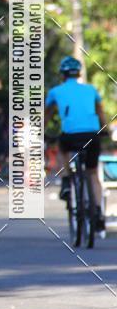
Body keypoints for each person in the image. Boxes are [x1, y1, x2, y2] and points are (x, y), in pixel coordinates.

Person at [45, 56, 107, 231]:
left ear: (62, 75)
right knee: (93, 173)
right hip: (91, 136)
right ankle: (97, 212)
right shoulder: (92, 90)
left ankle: (65, 181)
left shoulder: (55, 91)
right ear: (79, 73)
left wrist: (41, 132)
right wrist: (105, 129)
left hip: (70, 135)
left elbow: (46, 115)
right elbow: (100, 112)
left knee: (62, 150)